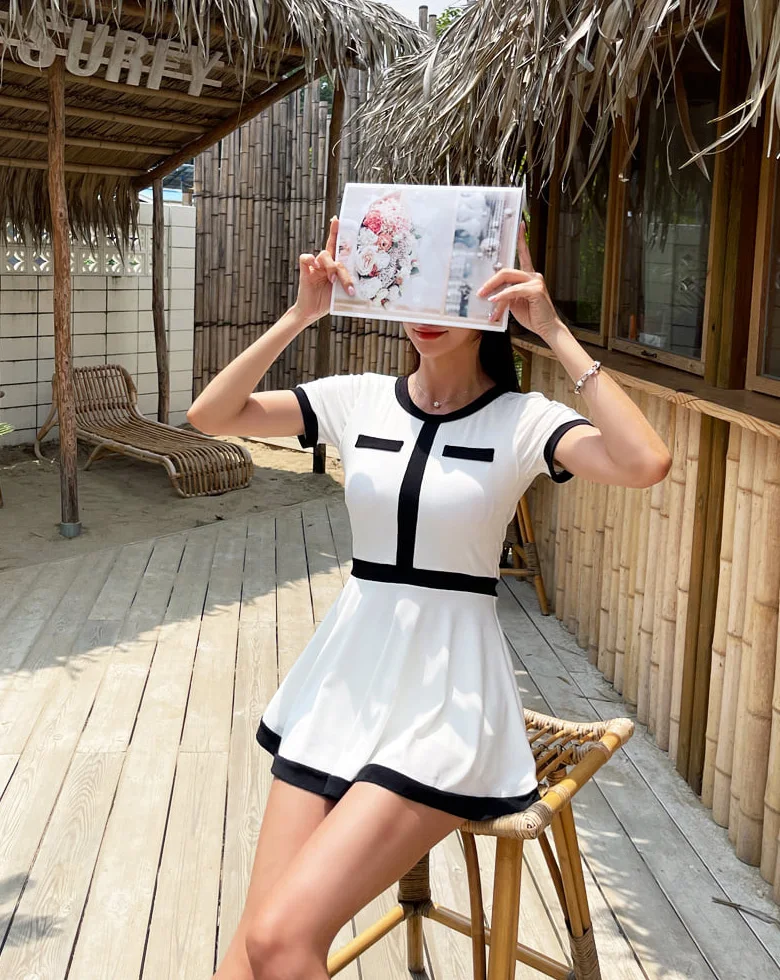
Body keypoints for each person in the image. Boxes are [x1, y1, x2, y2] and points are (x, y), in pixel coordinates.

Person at [188, 217, 672, 980]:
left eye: (454, 286)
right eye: (412, 280)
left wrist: (553, 332)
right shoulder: (357, 400)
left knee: (281, 941)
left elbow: (645, 462)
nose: (428, 307)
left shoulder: (523, 421)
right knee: (248, 955)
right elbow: (211, 416)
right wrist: (301, 315)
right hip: (341, 688)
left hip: (448, 707)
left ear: (491, 298)